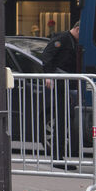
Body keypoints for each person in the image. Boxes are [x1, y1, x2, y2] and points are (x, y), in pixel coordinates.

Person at [40, 20, 81, 165]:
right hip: (60, 82)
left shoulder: (72, 41)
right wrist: (49, 75)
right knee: (61, 119)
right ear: (77, 29)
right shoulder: (62, 39)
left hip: (67, 83)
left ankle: (60, 155)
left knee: (65, 119)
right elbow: (47, 56)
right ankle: (57, 157)